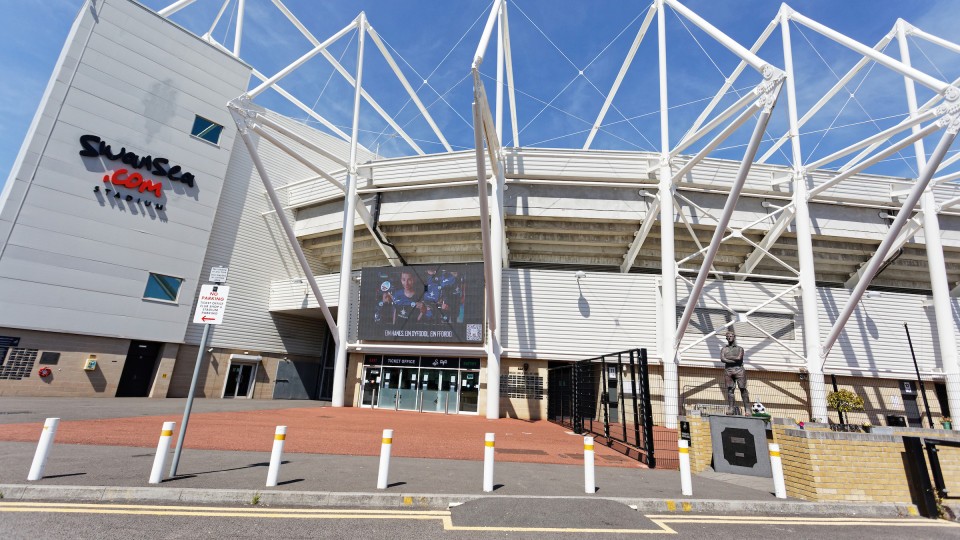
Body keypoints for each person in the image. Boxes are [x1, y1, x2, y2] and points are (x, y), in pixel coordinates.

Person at [720, 330, 750, 415]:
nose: (729, 337)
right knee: (730, 390)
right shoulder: (724, 349)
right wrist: (733, 359)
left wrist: (728, 358)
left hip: (739, 370)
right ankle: (731, 409)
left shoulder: (740, 348)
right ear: (726, 338)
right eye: (728, 336)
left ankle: (747, 409)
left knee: (743, 389)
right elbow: (722, 359)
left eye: (731, 336)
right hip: (728, 371)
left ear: (734, 337)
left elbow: (739, 358)